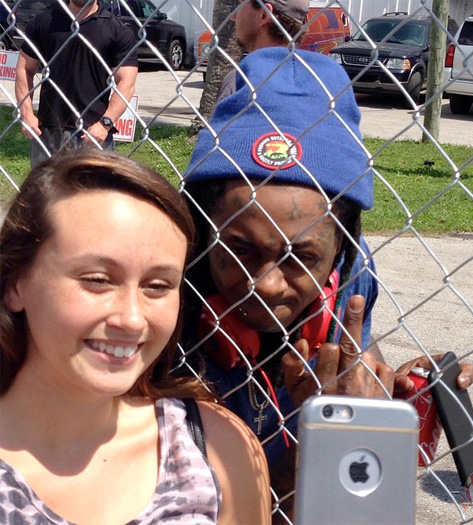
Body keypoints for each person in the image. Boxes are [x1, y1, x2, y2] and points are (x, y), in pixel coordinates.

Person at [181, 47, 473, 516]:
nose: (268, 284)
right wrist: (318, 445)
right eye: (241, 248)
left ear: (341, 253)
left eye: (302, 256)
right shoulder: (161, 301)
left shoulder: (352, 283)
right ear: (202, 231)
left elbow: (362, 353)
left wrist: (382, 398)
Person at [0, 149, 271, 524]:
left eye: (158, 286)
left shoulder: (217, 448)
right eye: (97, 280)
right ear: (15, 283)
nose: (131, 318)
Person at [15, 0, 138, 167]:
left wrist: (105, 123)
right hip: (47, 131)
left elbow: (126, 82)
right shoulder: (45, 22)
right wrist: (27, 114)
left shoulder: (116, 30)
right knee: (44, 192)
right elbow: (24, 68)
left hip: (92, 133)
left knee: (93, 192)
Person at [216, 0, 309, 103]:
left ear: (264, 14)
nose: (233, 17)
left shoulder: (240, 81)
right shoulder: (317, 79)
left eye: (240, 6)